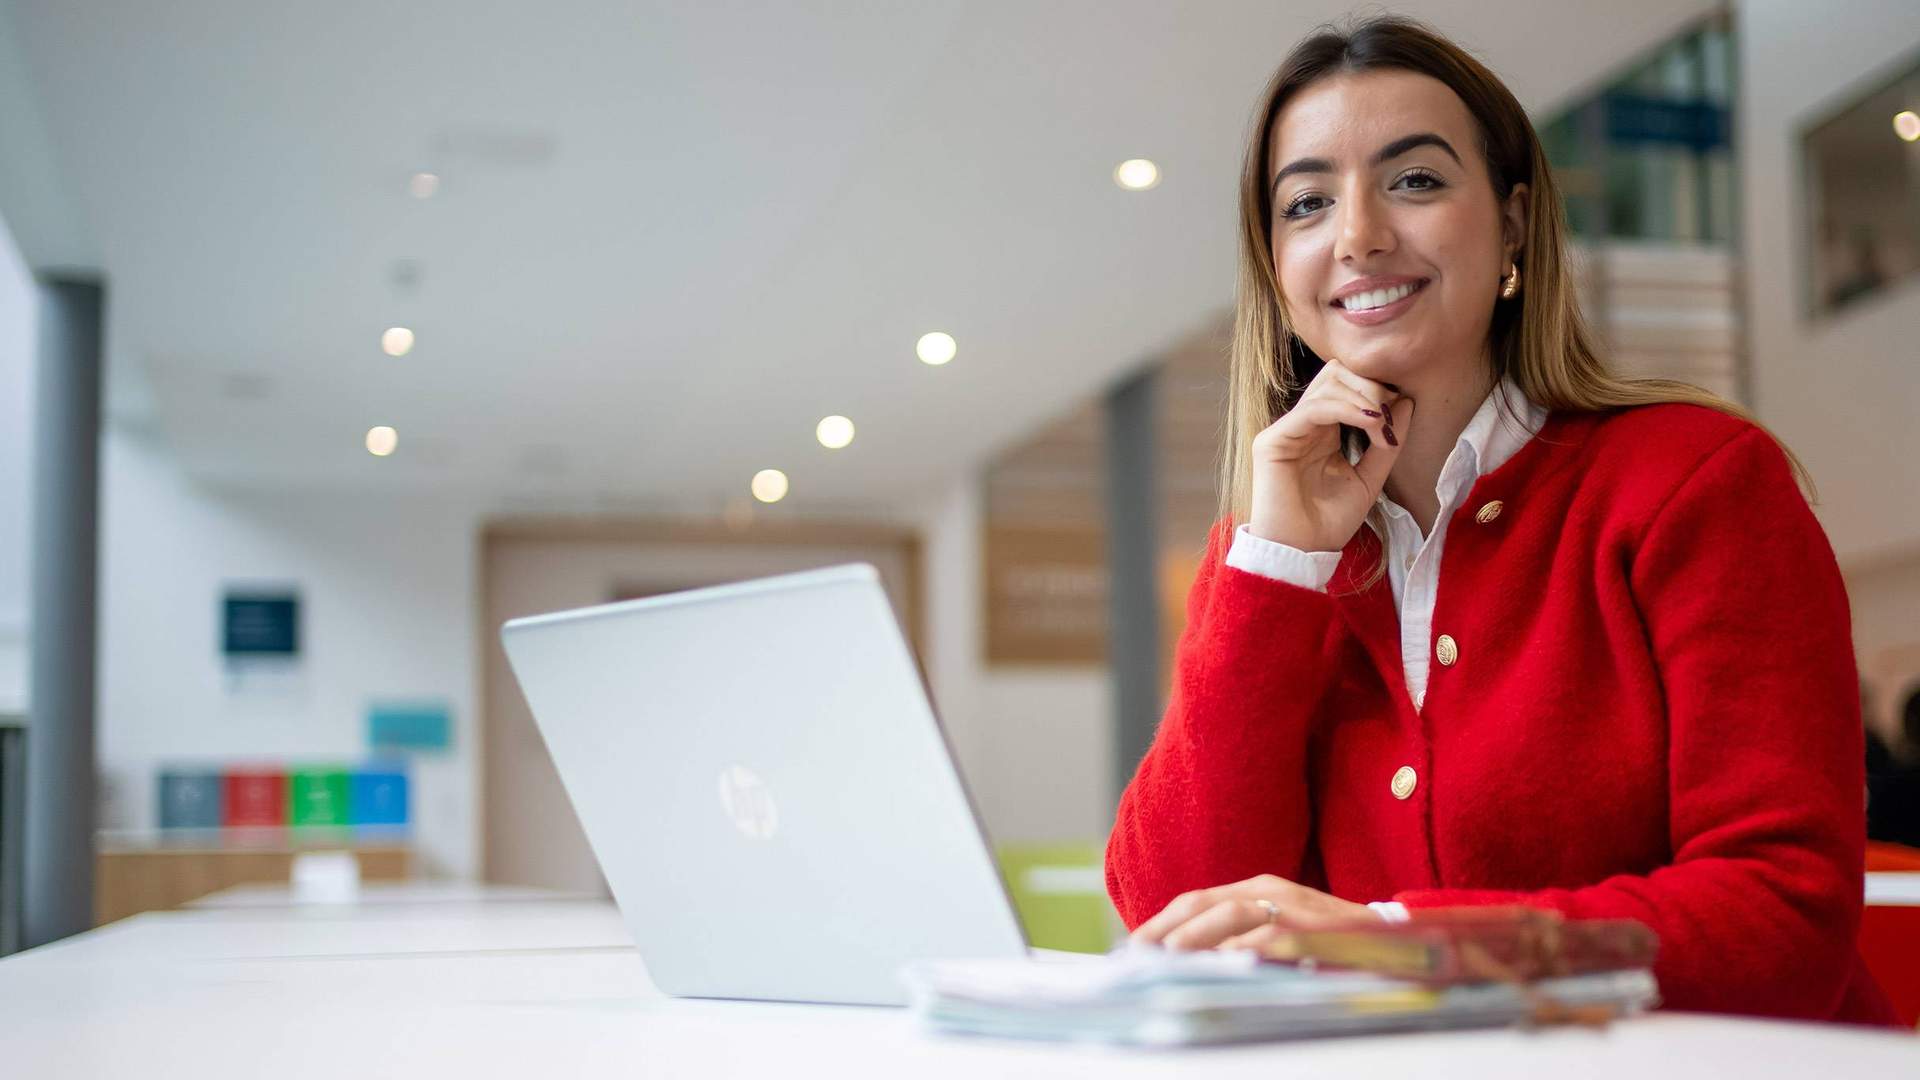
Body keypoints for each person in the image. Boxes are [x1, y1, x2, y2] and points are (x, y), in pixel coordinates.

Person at [1104, 15, 1900, 1026]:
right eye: (1307, 202)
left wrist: (1390, 939)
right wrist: (1275, 569)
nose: (1358, 235)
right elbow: (1174, 914)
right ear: (1275, 265)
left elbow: (1780, 920)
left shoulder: (1697, 483)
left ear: (1515, 221)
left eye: (1416, 181)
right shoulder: (1269, 551)